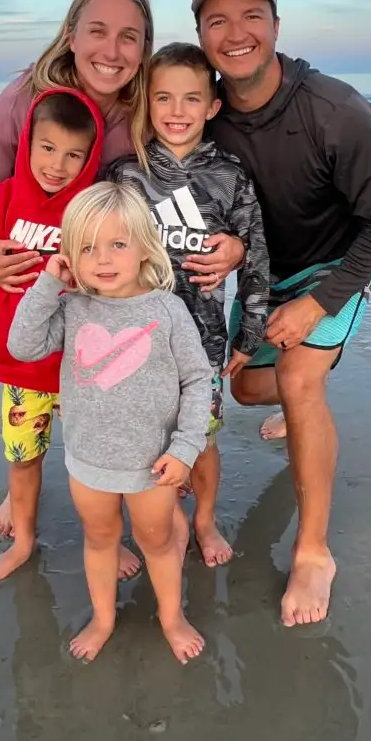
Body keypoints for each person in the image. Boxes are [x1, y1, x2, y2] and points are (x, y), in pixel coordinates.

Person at [0, 0, 245, 567]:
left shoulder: (144, 109)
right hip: (39, 295)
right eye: (97, 32)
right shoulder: (26, 99)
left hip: (115, 301)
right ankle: (29, 500)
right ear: (70, 35)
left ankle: (129, 509)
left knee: (106, 410)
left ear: (144, 49)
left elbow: (189, 182)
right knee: (33, 403)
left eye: (129, 37)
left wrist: (235, 247)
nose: (111, 51)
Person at [185, 0, 371, 626]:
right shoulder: (206, 113)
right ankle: (306, 388)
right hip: (262, 274)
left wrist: (318, 303)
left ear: (276, 24)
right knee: (251, 388)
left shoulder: (336, 112)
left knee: (300, 381)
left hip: (332, 268)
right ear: (201, 36)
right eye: (217, 20)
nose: (236, 32)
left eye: (252, 14)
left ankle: (314, 551)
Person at [8, 182, 211, 664]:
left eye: (117, 244)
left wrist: (185, 449)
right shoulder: (74, 306)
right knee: (100, 540)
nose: (102, 258)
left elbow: (199, 380)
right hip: (88, 461)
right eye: (86, 247)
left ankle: (171, 616)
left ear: (144, 247)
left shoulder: (166, 309)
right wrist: (47, 284)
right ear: (69, 255)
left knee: (158, 544)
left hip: (153, 466)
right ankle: (103, 618)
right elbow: (23, 346)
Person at [107, 42, 269, 567]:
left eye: (192, 99)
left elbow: (256, 254)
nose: (178, 112)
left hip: (202, 343)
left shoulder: (231, 175)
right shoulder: (125, 175)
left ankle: (203, 521)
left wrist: (250, 335)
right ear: (146, 103)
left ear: (213, 106)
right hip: (132, 341)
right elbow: (92, 249)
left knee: (202, 439)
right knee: (139, 436)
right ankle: (159, 520)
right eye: (164, 98)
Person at [0, 89, 103, 585]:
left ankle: (104, 540)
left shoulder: (92, 209)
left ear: (91, 157)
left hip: (83, 371)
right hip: (22, 372)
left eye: (74, 154)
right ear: (26, 143)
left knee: (94, 462)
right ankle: (25, 543)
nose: (57, 165)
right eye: (47, 148)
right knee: (24, 460)